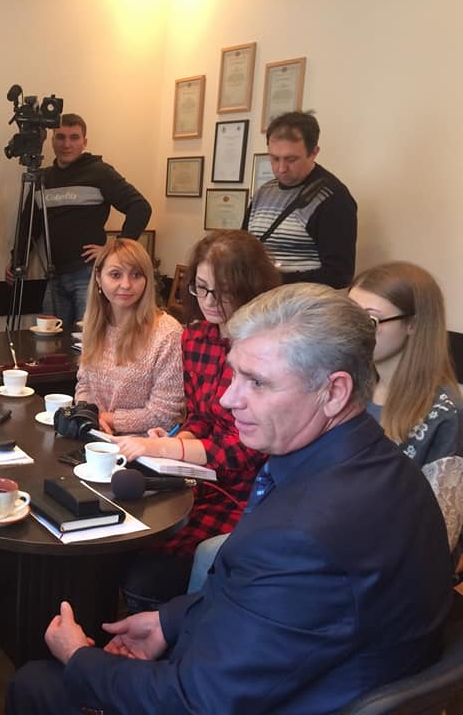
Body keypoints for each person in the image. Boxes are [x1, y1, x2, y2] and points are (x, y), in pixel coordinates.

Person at [7, 283, 453, 715]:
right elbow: (268, 606)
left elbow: (195, 702)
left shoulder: (303, 536)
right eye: (235, 373)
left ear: (334, 392)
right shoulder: (390, 470)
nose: (227, 398)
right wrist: (170, 622)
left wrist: (80, 659)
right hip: (306, 676)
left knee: (35, 683)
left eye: (257, 382)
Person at [113, 230, 281, 608]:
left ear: (251, 289)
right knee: (123, 537)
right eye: (201, 288)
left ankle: (174, 629)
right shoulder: (196, 338)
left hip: (250, 491)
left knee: (149, 572)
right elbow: (203, 418)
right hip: (202, 479)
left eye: (223, 292)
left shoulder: (267, 350)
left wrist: (166, 448)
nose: (208, 301)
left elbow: (247, 450)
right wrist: (179, 438)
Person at [350, 261, 463, 549]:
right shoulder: (351, 385)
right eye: (349, 317)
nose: (353, 333)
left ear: (413, 324)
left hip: (387, 557)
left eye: (370, 321)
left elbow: (439, 535)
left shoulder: (445, 415)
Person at [10, 113, 152, 326]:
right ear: (52, 140)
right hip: (54, 275)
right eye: (60, 137)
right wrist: (17, 261)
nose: (67, 144)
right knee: (49, 339)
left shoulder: (100, 173)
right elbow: (29, 225)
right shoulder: (43, 178)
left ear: (84, 142)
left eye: (74, 137)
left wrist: (114, 251)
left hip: (88, 275)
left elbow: (140, 208)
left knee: (88, 339)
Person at [75, 237, 183, 435]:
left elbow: (165, 415)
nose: (126, 284)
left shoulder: (168, 333)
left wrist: (106, 419)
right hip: (95, 435)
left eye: (136, 275)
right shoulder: (94, 324)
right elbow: (84, 386)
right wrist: (88, 414)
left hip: (143, 444)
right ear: (98, 278)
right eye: (115, 275)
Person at [245, 110, 357, 288]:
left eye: (291, 159)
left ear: (313, 152)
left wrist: (272, 280)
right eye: (274, 158)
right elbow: (244, 247)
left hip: (302, 304)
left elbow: (339, 275)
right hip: (261, 300)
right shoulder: (264, 192)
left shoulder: (334, 198)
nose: (281, 168)